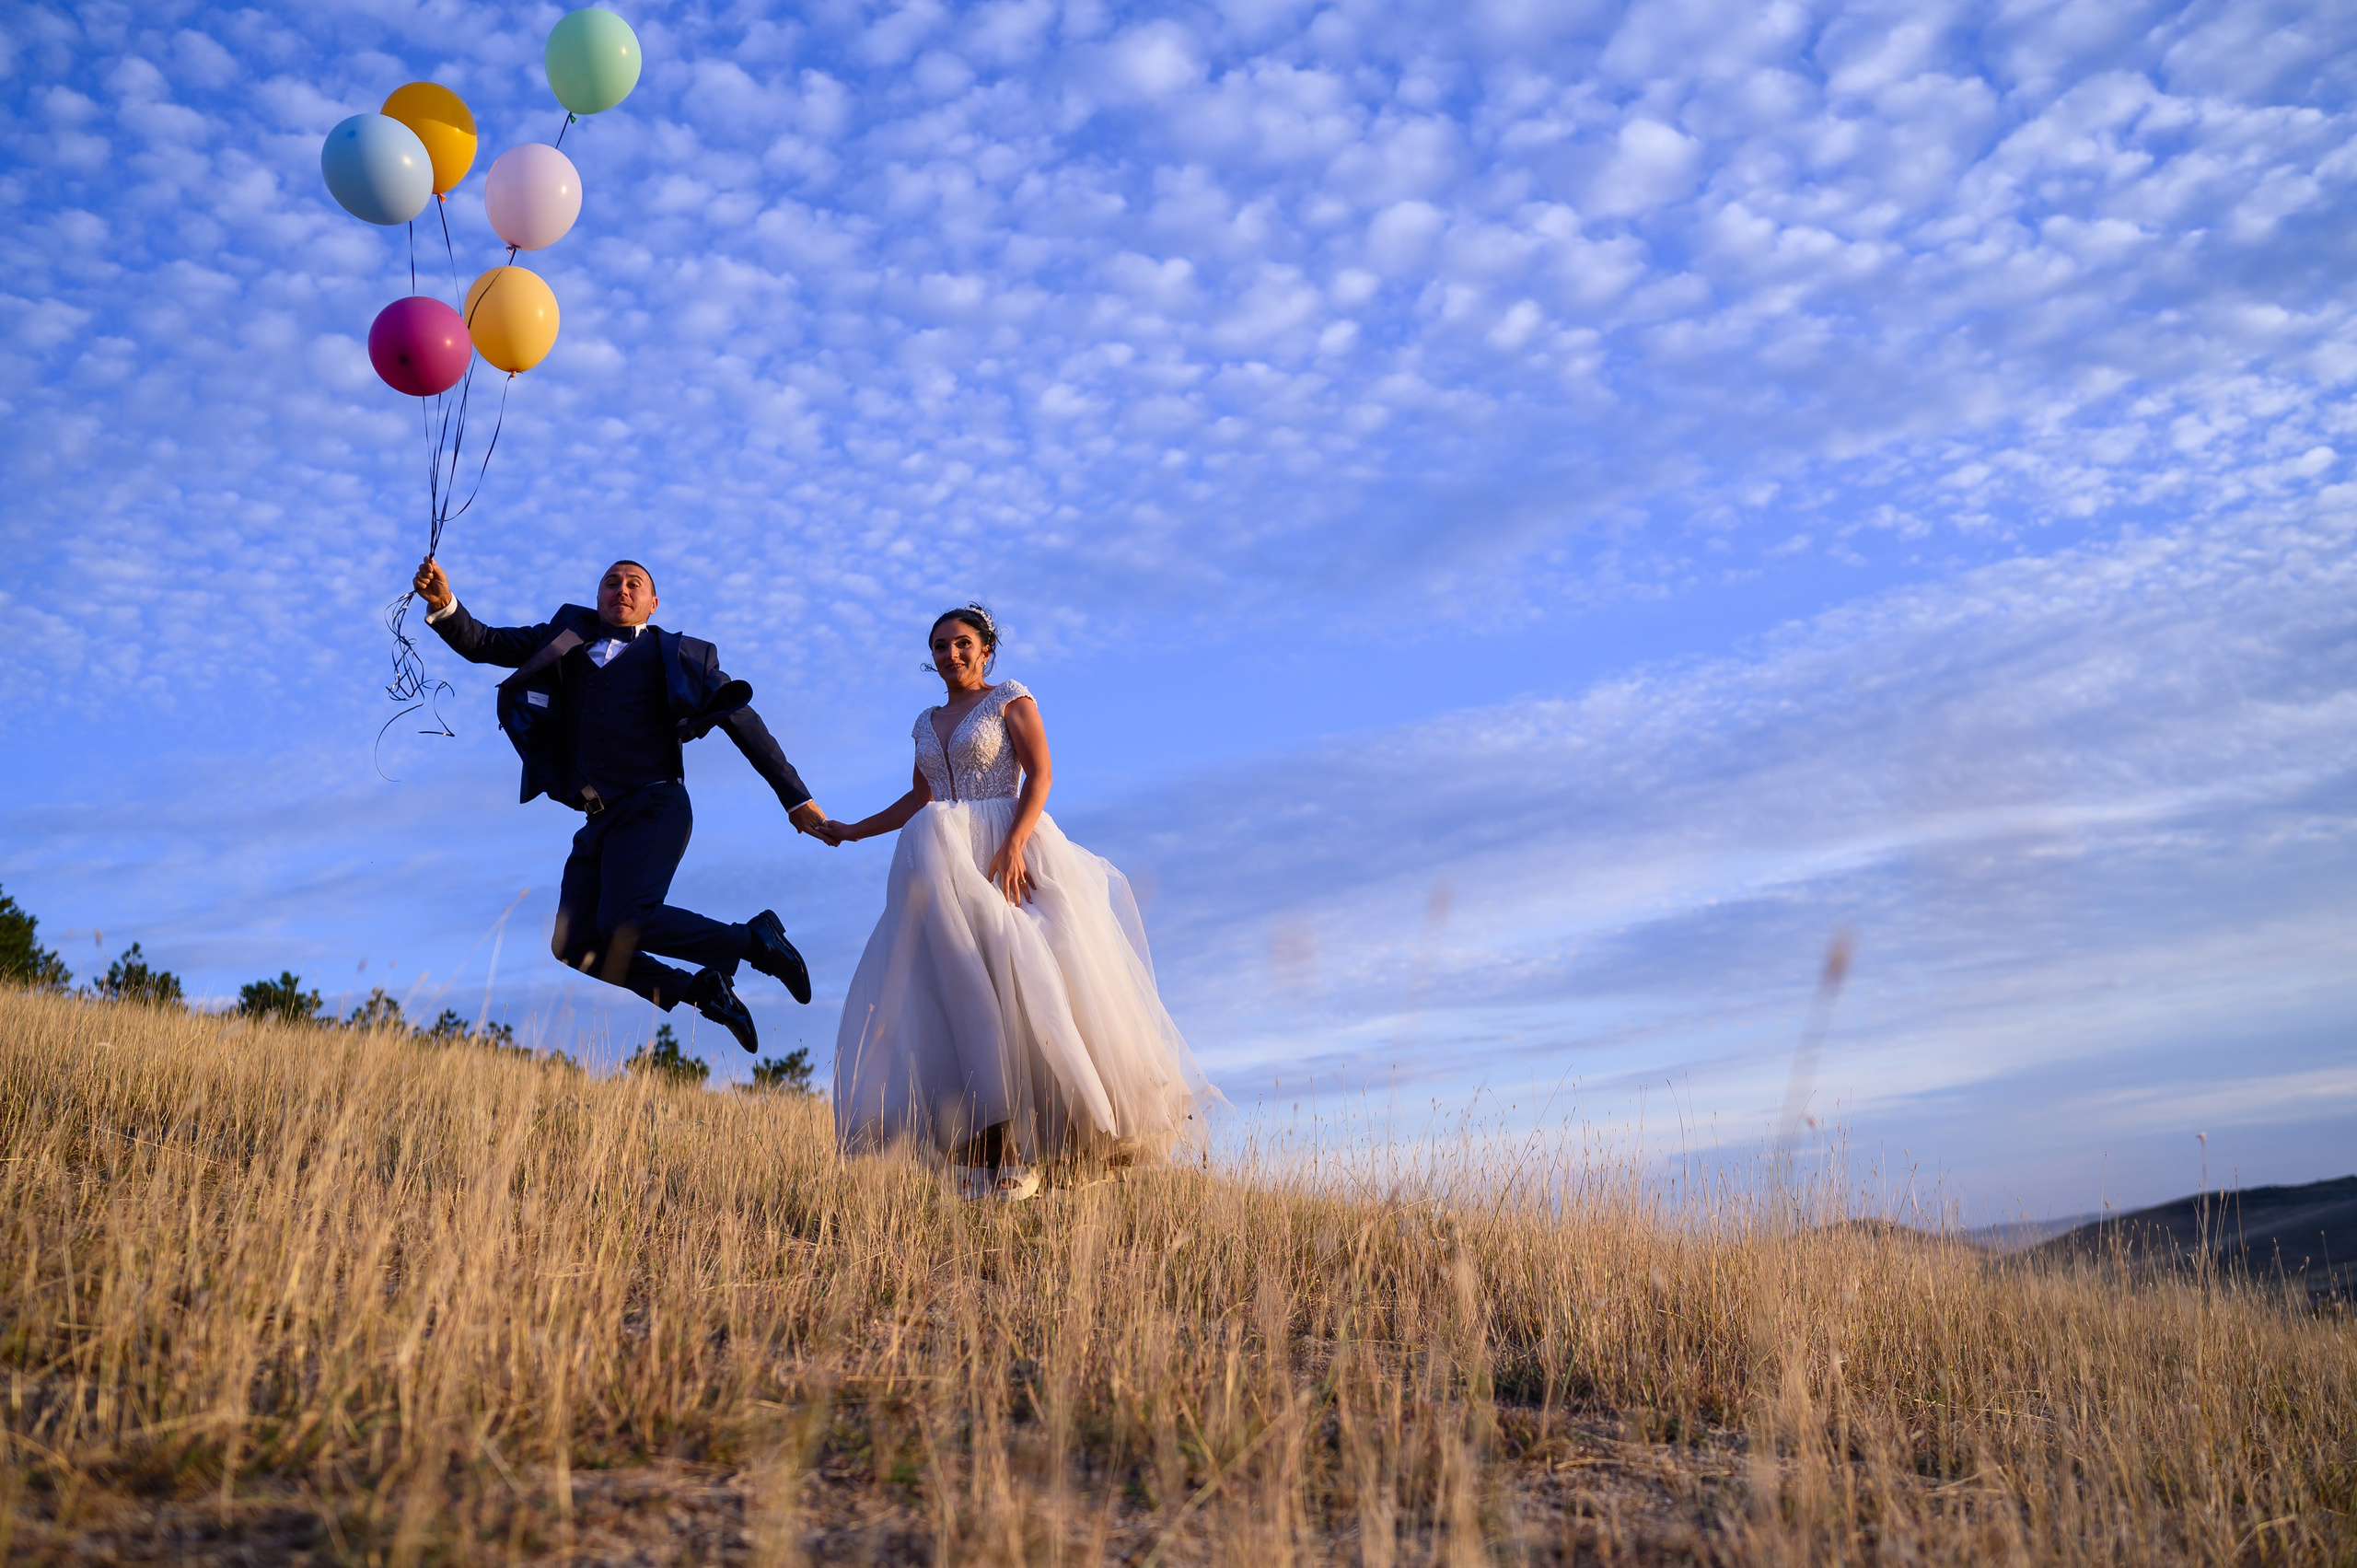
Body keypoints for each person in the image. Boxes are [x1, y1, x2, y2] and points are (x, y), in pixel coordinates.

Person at [820, 604, 1216, 1202]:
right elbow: (919, 797)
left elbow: (1041, 775)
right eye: (939, 646)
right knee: (959, 993)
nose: (950, 654)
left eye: (961, 643)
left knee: (1029, 980)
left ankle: (1041, 1148)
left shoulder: (1010, 698)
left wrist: (1013, 845)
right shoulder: (925, 722)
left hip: (1007, 843)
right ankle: (987, 1153)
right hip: (939, 857)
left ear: (985, 649)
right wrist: (853, 831)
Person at [412, 556, 827, 1054]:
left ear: (653, 603)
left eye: (634, 584)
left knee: (626, 920)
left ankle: (755, 943)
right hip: (597, 820)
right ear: (598, 597)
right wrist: (445, 604)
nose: (622, 590)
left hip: (654, 803)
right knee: (576, 943)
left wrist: (795, 797)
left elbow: (742, 721)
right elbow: (486, 643)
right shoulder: (564, 637)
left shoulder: (682, 655)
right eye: (611, 583)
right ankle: (699, 991)